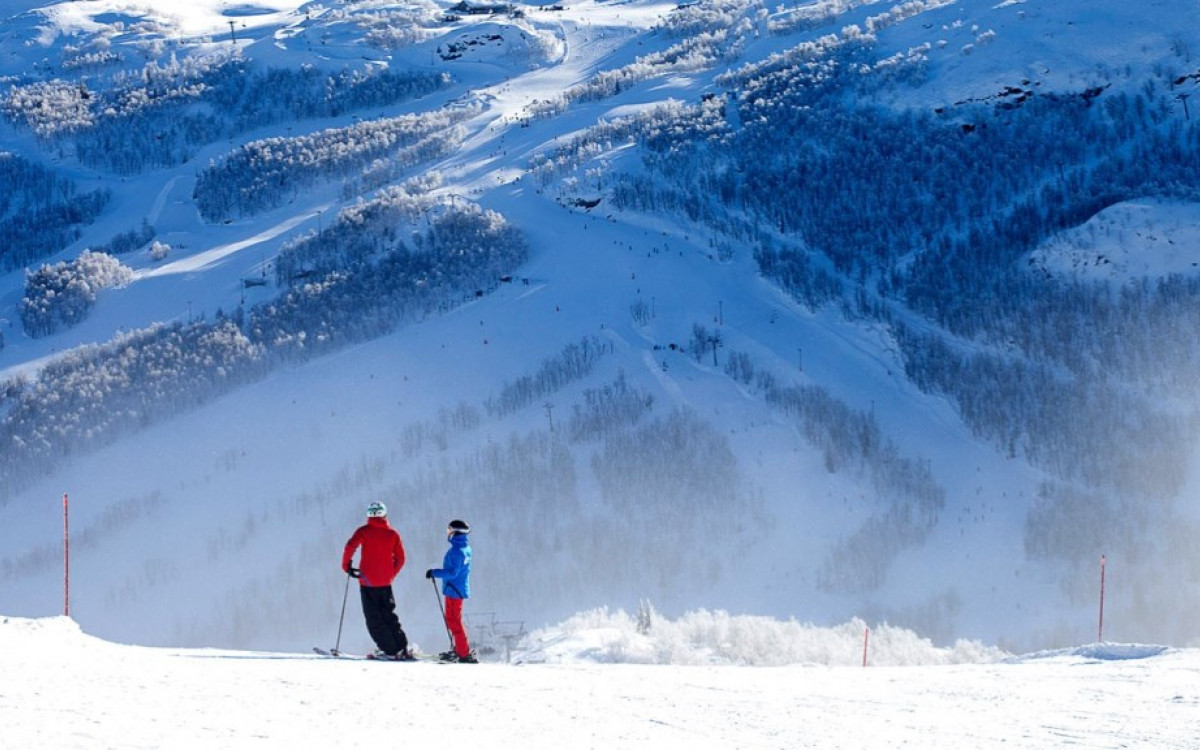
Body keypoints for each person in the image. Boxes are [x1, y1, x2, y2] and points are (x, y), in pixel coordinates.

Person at [342, 501, 411, 660]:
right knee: (389, 615)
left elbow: (350, 546)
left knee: (374, 619)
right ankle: (401, 646)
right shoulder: (393, 534)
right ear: (384, 515)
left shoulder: (364, 531)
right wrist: (391, 574)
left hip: (367, 582)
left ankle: (389, 650)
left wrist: (346, 566)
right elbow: (401, 559)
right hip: (386, 583)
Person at [426, 519, 475, 663]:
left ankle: (463, 653)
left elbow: (452, 572)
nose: (448, 533)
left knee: (453, 621)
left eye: (450, 530)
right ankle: (460, 649)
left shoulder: (456, 551)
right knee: (454, 620)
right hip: (458, 589)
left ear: (455, 532)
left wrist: (434, 572)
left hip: (453, 590)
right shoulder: (465, 548)